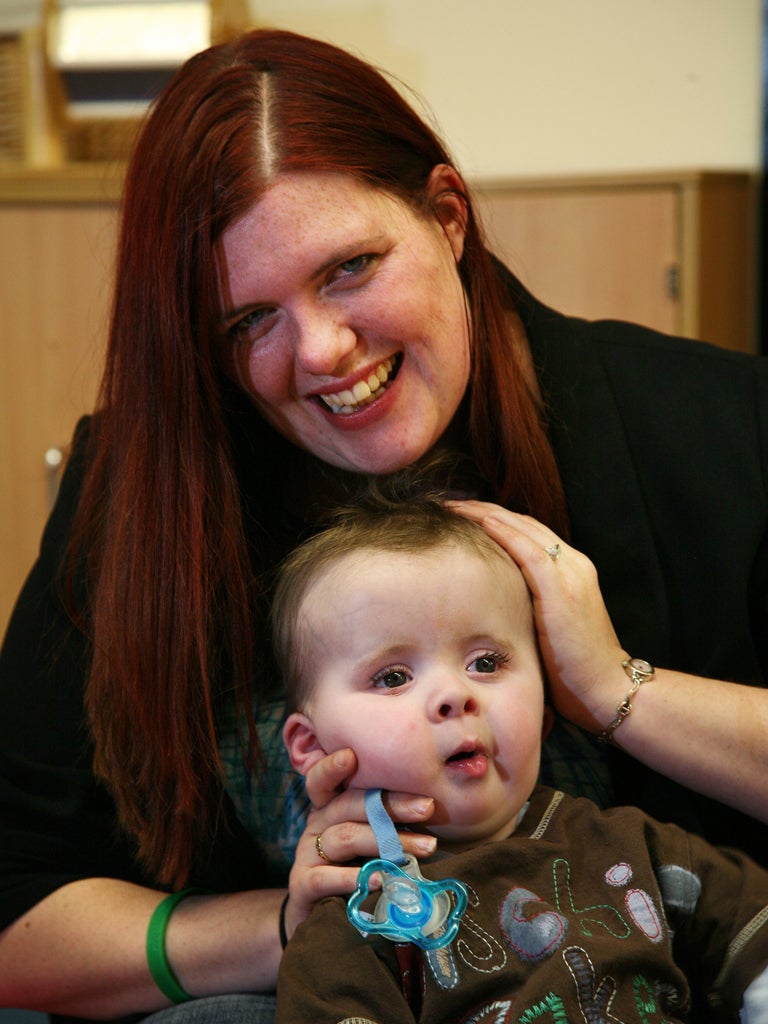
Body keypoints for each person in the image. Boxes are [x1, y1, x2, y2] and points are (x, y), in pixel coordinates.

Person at [0, 24, 765, 1024]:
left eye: (350, 268)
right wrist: (289, 919)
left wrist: (620, 693)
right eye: (248, 322)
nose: (321, 349)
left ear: (447, 216)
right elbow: (16, 914)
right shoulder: (140, 496)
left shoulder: (711, 421)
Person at [273, 490, 768, 1023]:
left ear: (543, 714)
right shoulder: (348, 938)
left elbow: (752, 926)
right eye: (393, 677)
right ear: (311, 745)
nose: (455, 695)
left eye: (485, 663)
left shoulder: (629, 847)